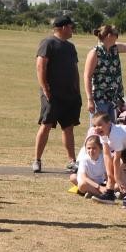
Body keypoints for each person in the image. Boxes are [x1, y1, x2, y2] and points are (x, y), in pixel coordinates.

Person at [33, 15, 81, 173]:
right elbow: (41, 66)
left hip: (70, 94)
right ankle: (37, 160)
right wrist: (45, 88)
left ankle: (71, 160)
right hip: (53, 94)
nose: (72, 29)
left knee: (68, 127)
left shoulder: (71, 47)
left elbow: (74, 69)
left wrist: (77, 89)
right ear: (62, 28)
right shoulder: (48, 43)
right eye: (70, 26)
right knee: (46, 125)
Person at [69, 133, 112, 200]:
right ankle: (100, 194)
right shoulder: (84, 159)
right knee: (77, 181)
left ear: (100, 148)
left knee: (116, 185)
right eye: (88, 148)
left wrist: (109, 186)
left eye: (94, 148)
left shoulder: (103, 158)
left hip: (99, 182)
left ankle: (90, 192)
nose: (91, 151)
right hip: (88, 182)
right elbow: (84, 177)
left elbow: (107, 174)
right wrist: (99, 188)